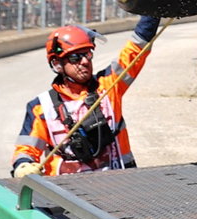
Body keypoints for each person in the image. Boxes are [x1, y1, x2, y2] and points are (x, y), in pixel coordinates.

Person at [11, 16, 160, 177]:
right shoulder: (41, 107)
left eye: (87, 54)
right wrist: (23, 166)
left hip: (119, 184)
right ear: (57, 64)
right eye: (75, 57)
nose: (84, 61)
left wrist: (152, 10)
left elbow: (136, 49)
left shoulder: (109, 85)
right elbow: (26, 151)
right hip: (67, 194)